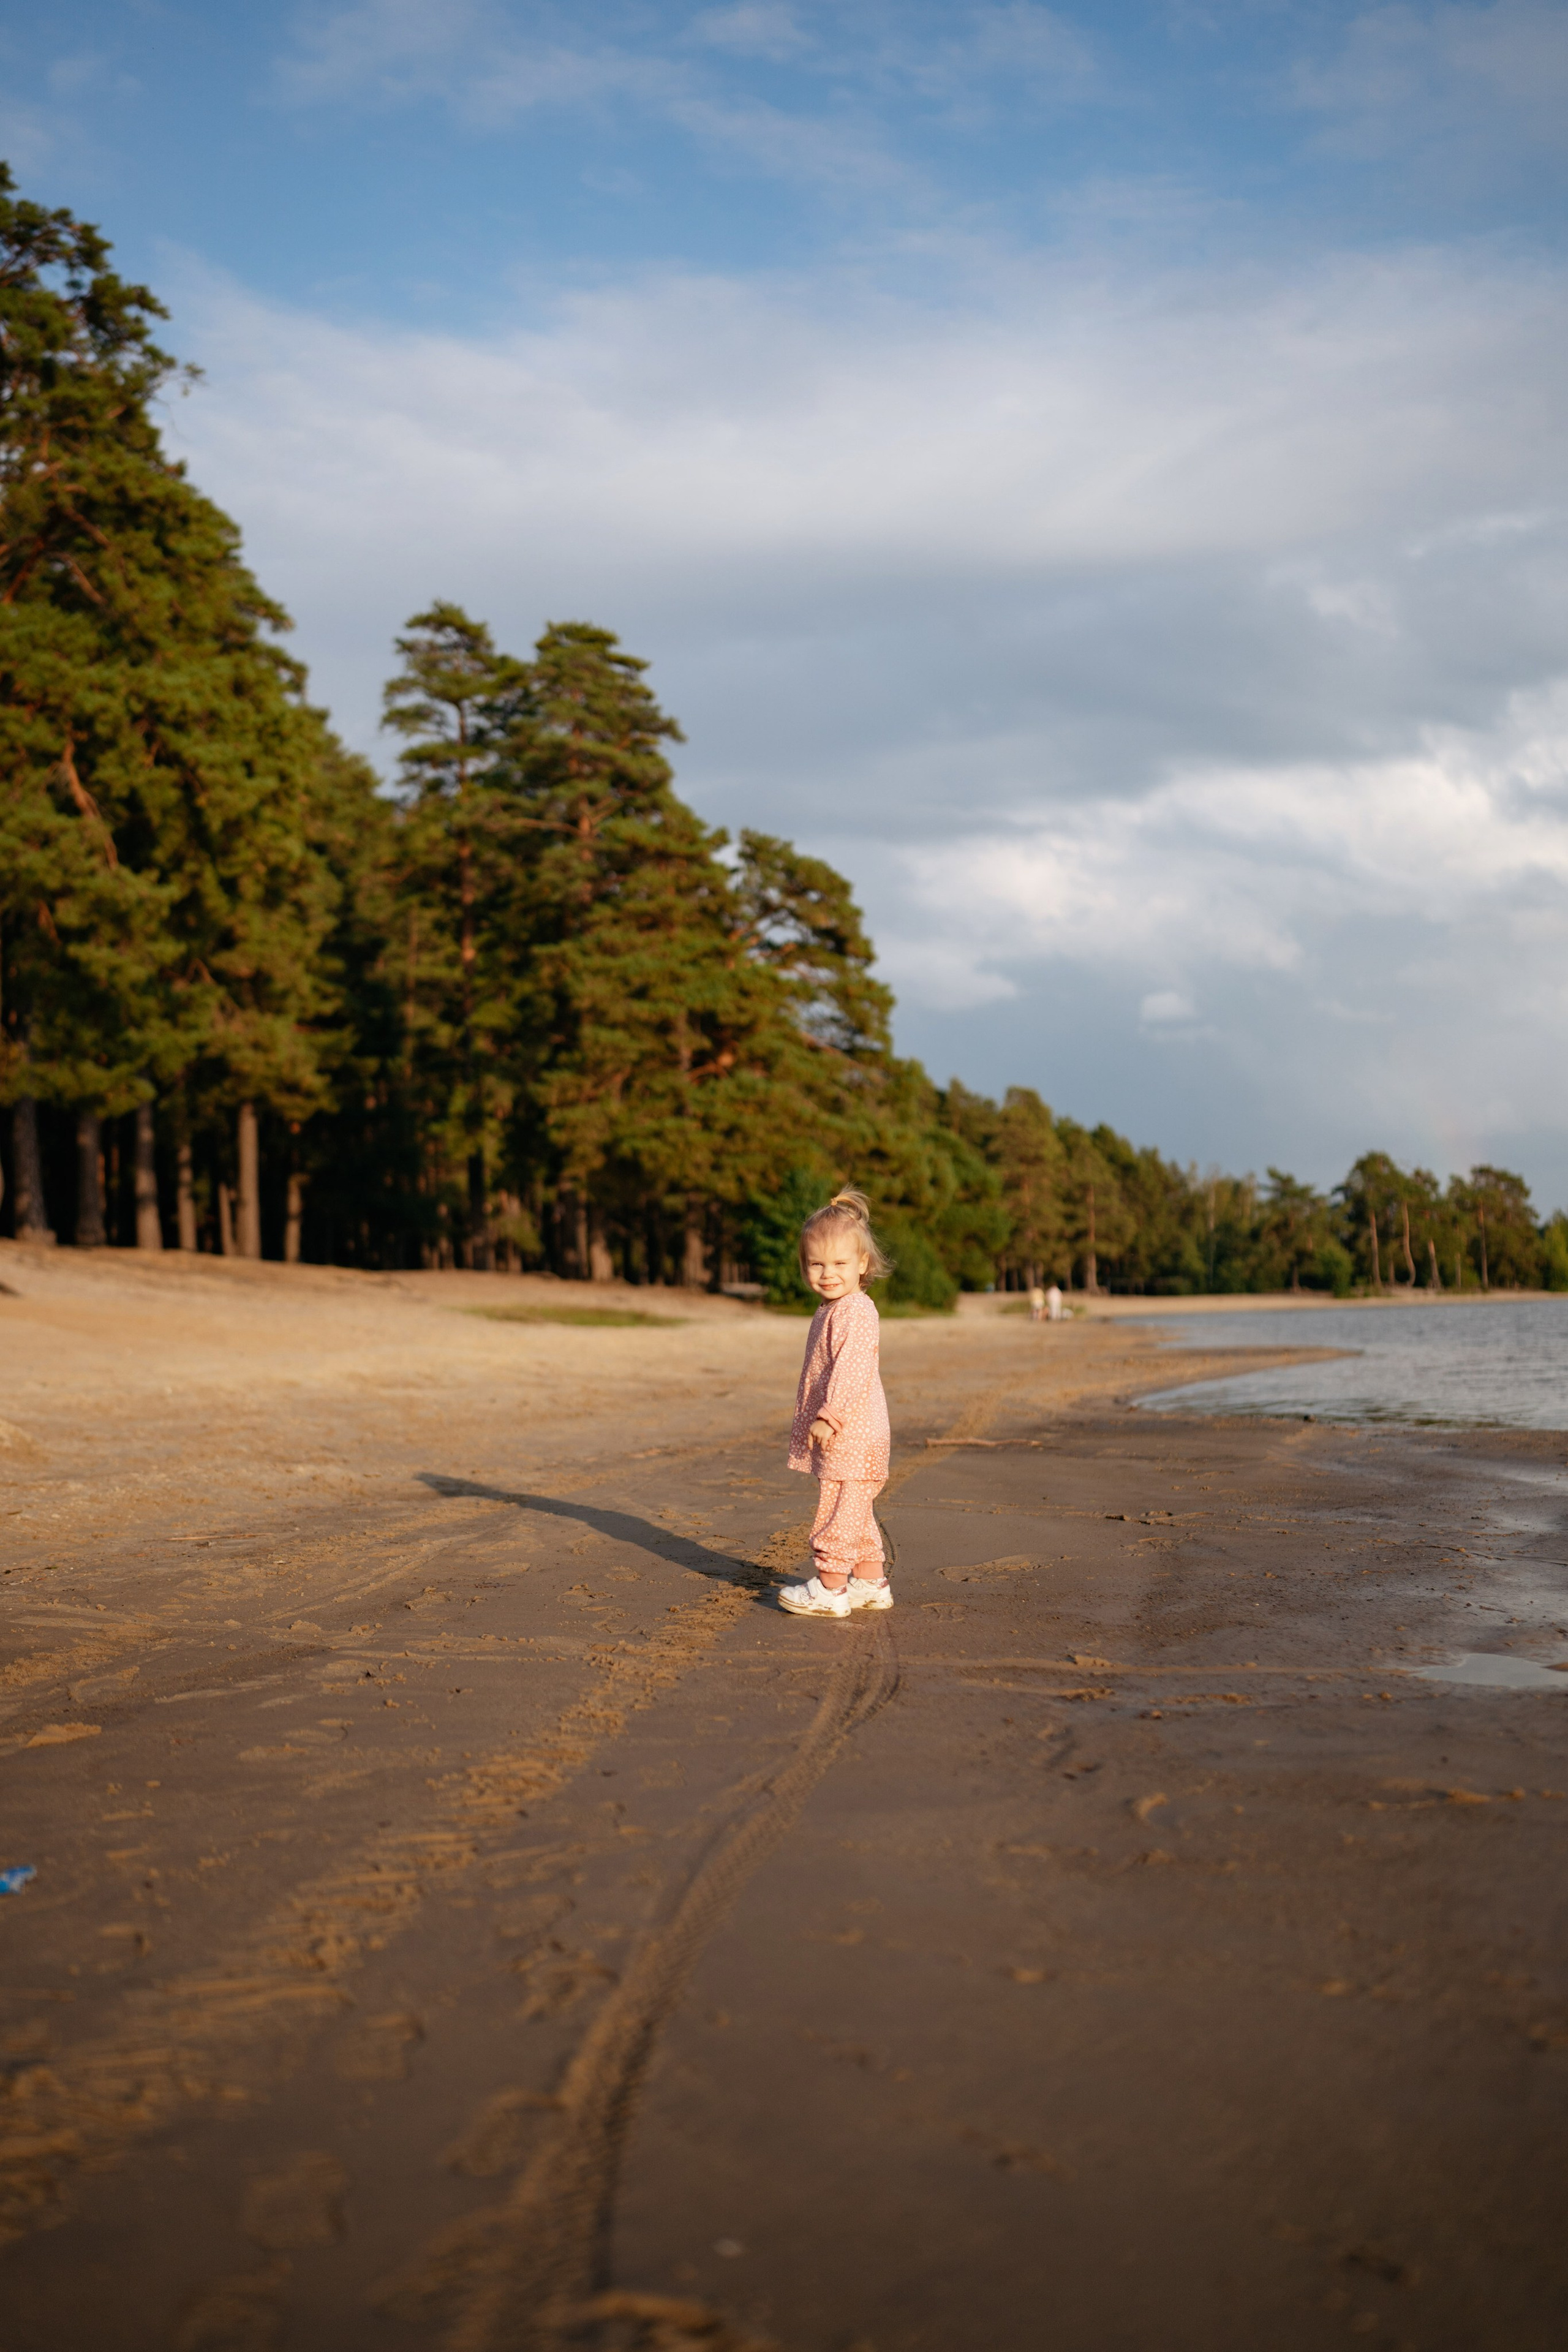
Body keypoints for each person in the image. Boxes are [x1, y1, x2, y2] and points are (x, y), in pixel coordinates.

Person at [777, 1189, 893, 1621]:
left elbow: (852, 1370)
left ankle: (830, 1587)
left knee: (839, 1510)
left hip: (854, 1431)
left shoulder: (856, 1311)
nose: (828, 1274)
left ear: (863, 1265)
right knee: (855, 1508)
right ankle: (870, 1582)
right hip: (852, 1433)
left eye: (840, 1264)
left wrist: (830, 1417)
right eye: (817, 1264)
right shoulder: (832, 1309)